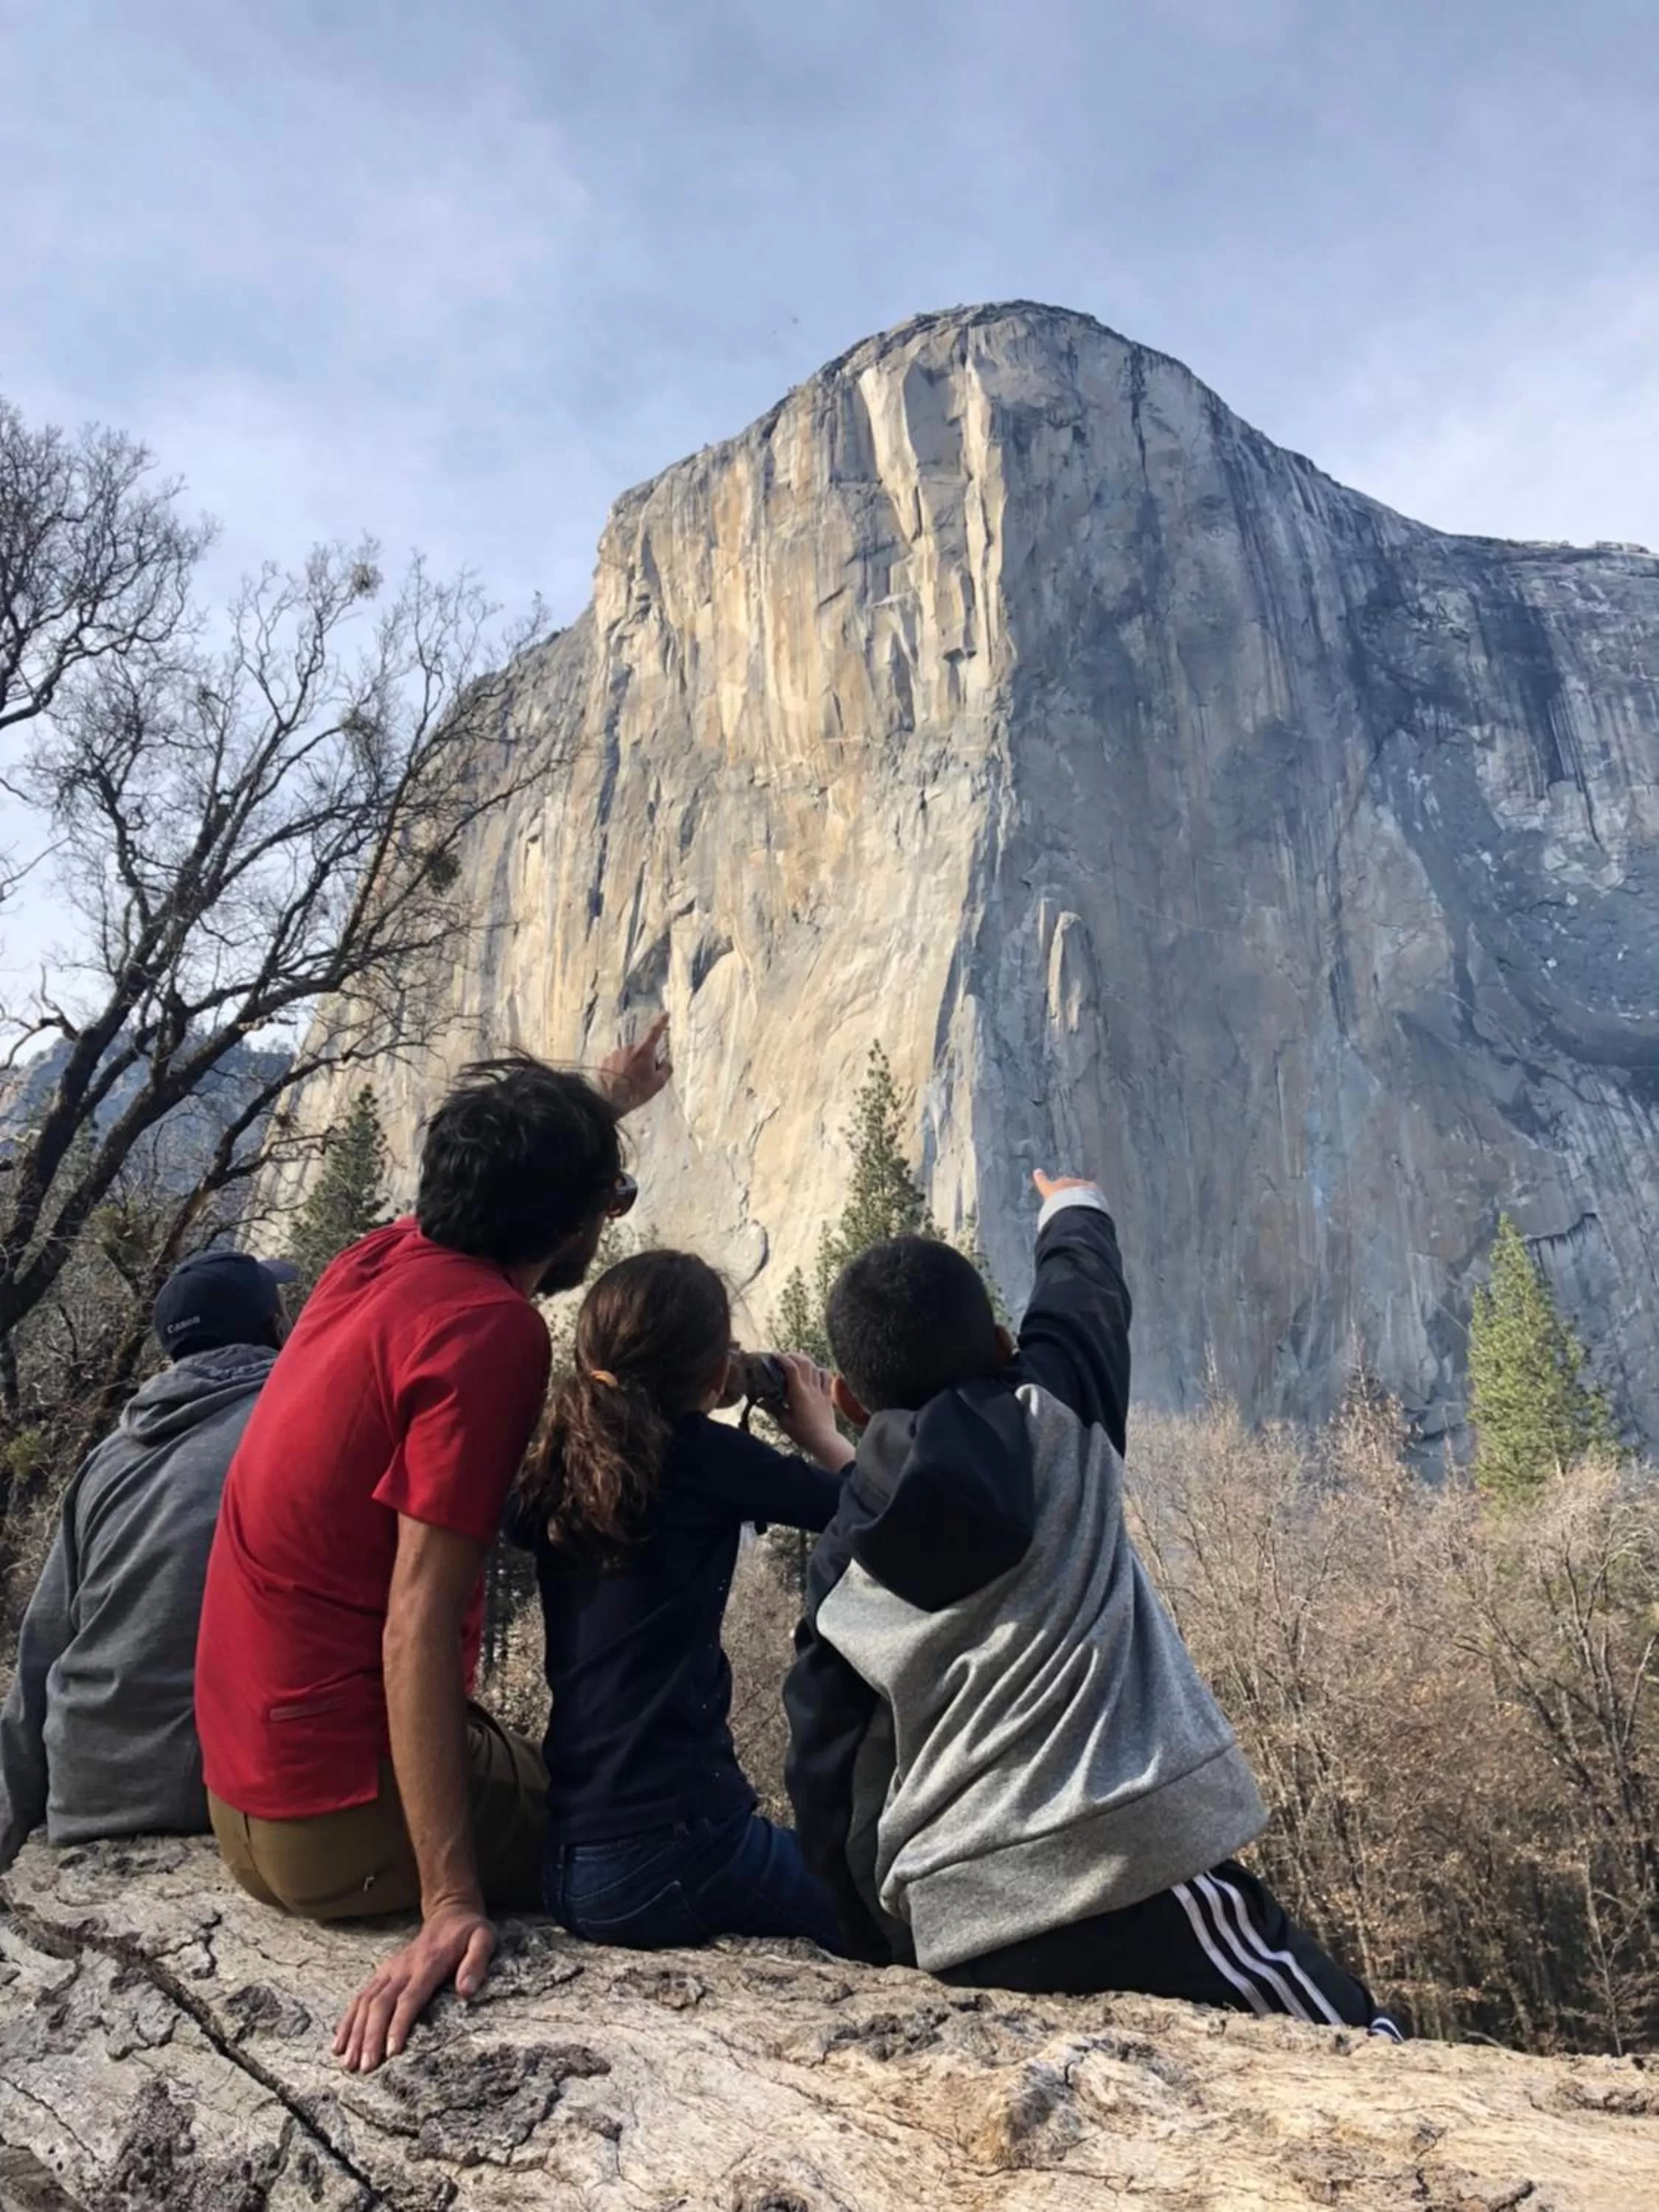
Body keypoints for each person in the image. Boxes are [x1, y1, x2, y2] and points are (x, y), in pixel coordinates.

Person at [784, 1170, 1404, 2037]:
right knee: (1365, 2054)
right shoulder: (1060, 1416)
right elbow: (1083, 1297)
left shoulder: (844, 1564)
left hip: (964, 1928)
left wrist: (882, 1946)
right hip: (1135, 1880)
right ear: (1005, 1347)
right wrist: (1071, 1204)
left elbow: (829, 1773)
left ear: (849, 1400)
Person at [194, 1025, 671, 2075]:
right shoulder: (487, 1332)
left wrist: (605, 1101)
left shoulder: (376, 1262)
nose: (612, 1213)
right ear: (571, 1217)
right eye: (612, 1196)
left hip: (245, 1793)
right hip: (333, 1823)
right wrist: (449, 1901)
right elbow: (415, 1618)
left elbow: (514, 1168)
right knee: (643, 1823)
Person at [513, 1250, 852, 1952]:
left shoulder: (559, 1453)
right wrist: (823, 1435)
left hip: (572, 1858)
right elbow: (876, 1510)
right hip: (675, 1851)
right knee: (874, 1914)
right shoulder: (700, 1457)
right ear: (710, 1374)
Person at [0, 1249, 295, 1872]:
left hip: (81, 1782)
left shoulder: (110, 1455)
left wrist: (17, 1819)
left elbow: (43, 1647)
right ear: (276, 1328)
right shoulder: (298, 1424)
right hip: (204, 1794)